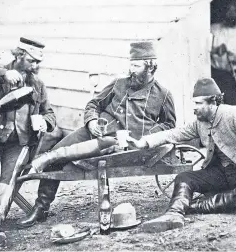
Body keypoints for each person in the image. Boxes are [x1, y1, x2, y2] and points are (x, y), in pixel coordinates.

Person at [16, 41, 176, 229]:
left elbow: (169, 125)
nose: (131, 70)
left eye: (136, 65)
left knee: (96, 147)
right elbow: (94, 104)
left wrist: (144, 137)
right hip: (93, 132)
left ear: (150, 66)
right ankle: (41, 209)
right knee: (57, 151)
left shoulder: (163, 94)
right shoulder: (119, 83)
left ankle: (44, 165)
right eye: (130, 64)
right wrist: (91, 121)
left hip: (121, 144)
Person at [127, 78, 236, 233]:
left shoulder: (235, 115)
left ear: (213, 102)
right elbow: (175, 133)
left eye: (198, 103)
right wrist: (144, 142)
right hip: (223, 173)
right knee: (184, 178)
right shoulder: (201, 122)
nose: (194, 108)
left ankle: (190, 208)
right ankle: (173, 214)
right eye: (194, 103)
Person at [0, 37, 56, 247]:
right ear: (20, 56)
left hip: (20, 144)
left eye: (38, 62)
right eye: (32, 61)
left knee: (10, 177)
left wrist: (44, 122)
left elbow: (50, 113)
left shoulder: (38, 84)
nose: (36, 66)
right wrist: (3, 74)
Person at [210, 0, 236, 107]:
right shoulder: (213, 28)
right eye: (229, 10)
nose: (231, 14)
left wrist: (231, 57)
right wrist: (217, 50)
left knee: (234, 106)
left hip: (235, 75)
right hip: (217, 75)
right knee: (218, 107)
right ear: (223, 11)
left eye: (234, 11)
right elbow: (205, 50)